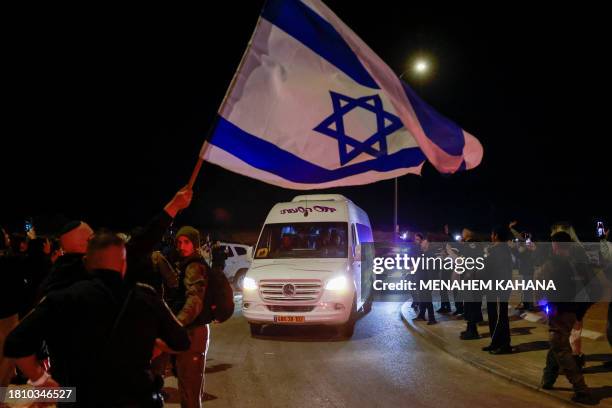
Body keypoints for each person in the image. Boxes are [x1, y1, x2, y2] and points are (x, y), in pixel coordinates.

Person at [3, 231, 191, 407]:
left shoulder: (63, 298)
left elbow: (15, 342)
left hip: (80, 398)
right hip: (136, 398)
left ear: (86, 263)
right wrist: (154, 342)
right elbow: (181, 341)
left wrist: (40, 379)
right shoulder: (145, 296)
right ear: (123, 264)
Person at [538, 231, 593, 404]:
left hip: (559, 312)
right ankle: (548, 379)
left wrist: (545, 307)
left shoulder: (552, 264)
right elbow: (593, 290)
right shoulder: (580, 264)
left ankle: (581, 389)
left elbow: (540, 287)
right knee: (557, 343)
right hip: (573, 313)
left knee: (560, 349)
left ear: (554, 245)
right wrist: (580, 312)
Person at [167, 226, 210, 408]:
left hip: (193, 332)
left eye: (187, 242)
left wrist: (177, 324)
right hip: (190, 330)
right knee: (188, 385)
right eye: (179, 242)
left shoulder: (194, 266)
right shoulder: (184, 264)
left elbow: (195, 300)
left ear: (195, 244)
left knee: (190, 389)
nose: (182, 246)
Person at [481, 226, 513, 354]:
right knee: (495, 316)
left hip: (498, 288)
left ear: (495, 236)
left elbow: (489, 269)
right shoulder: (503, 250)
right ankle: (495, 342)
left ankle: (504, 345)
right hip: (497, 288)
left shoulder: (498, 250)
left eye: (492, 234)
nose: (491, 237)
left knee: (500, 317)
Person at [414, 235, 438, 325]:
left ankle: (432, 319)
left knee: (427, 299)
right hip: (420, 279)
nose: (421, 243)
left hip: (426, 281)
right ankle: (421, 315)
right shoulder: (422, 253)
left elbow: (432, 270)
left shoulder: (430, 254)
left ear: (427, 244)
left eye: (423, 242)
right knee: (423, 299)